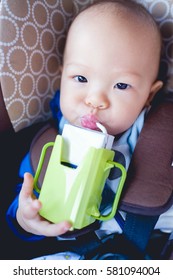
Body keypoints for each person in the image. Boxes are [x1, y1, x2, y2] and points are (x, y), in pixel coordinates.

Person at [7, 0, 163, 258]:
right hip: (72, 253)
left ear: (148, 95)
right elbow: (22, 199)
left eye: (121, 85)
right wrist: (25, 217)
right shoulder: (51, 141)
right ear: (62, 78)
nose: (95, 100)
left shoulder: (158, 137)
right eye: (80, 79)